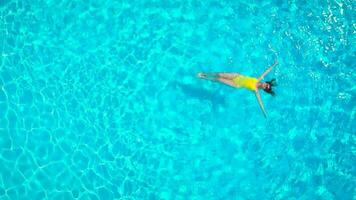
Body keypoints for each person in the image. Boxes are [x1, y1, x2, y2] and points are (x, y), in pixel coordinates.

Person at [197, 61, 278, 117]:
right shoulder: (258, 79)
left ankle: (204, 77)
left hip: (236, 84)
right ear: (266, 82)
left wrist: (263, 111)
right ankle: (205, 73)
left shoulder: (256, 90)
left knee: (219, 79)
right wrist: (274, 65)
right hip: (237, 76)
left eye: (266, 87)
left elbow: (260, 102)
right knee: (220, 74)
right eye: (266, 84)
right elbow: (266, 71)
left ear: (264, 89)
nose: (265, 85)